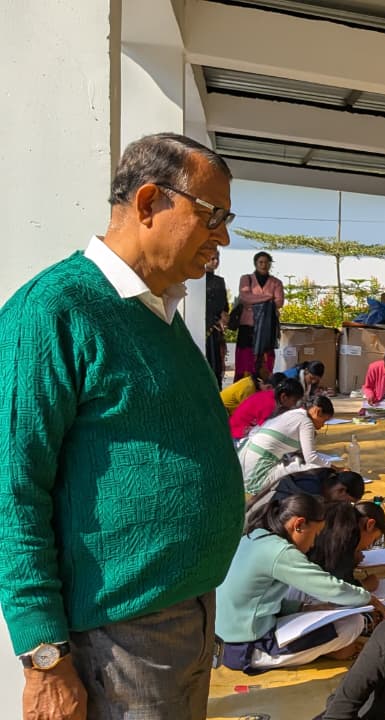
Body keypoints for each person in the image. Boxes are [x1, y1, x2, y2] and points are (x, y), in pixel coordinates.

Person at [0, 133, 244, 719]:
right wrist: (44, 656)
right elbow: (13, 491)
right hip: (120, 639)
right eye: (212, 217)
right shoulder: (56, 309)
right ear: (148, 202)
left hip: (189, 612)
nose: (224, 238)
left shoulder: (159, 314)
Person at [216, 493, 385, 672]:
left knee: (316, 601)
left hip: (226, 639)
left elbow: (256, 601)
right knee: (352, 624)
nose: (313, 543)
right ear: (298, 525)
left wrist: (303, 608)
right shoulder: (280, 552)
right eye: (315, 534)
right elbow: (328, 587)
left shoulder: (257, 536)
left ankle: (321, 645)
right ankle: (327, 649)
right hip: (246, 649)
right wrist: (368, 598)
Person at [238, 397, 336, 494]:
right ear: (317, 412)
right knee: (308, 475)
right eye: (324, 420)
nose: (323, 425)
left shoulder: (296, 413)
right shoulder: (306, 423)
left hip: (245, 463)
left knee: (298, 464)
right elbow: (311, 458)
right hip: (257, 473)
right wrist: (335, 468)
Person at [243, 467, 366, 531]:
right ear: (341, 490)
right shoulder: (310, 496)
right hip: (256, 528)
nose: (346, 505)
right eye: (347, 501)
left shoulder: (322, 476)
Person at [308, 501, 385, 591]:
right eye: (373, 540)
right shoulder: (349, 535)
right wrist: (367, 586)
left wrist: (351, 559)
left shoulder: (338, 516)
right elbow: (343, 590)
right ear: (370, 525)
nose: (367, 547)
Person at [234, 251, 285, 381]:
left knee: (266, 361)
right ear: (255, 263)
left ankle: (264, 389)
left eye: (267, 262)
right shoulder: (246, 279)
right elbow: (244, 297)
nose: (264, 265)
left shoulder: (276, 282)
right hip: (248, 326)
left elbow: (279, 302)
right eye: (261, 262)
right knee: (245, 359)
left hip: (267, 327)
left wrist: (254, 301)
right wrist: (268, 298)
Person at [230, 375, 303, 442]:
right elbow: (263, 431)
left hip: (244, 430)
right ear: (284, 397)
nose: (294, 404)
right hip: (238, 435)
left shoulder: (273, 397)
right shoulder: (269, 405)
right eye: (294, 401)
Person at [205, 255, 229, 385]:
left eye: (217, 259)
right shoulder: (194, 280)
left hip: (215, 331)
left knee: (216, 367)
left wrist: (224, 317)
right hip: (201, 328)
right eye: (212, 258)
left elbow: (224, 306)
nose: (215, 262)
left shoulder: (219, 281)